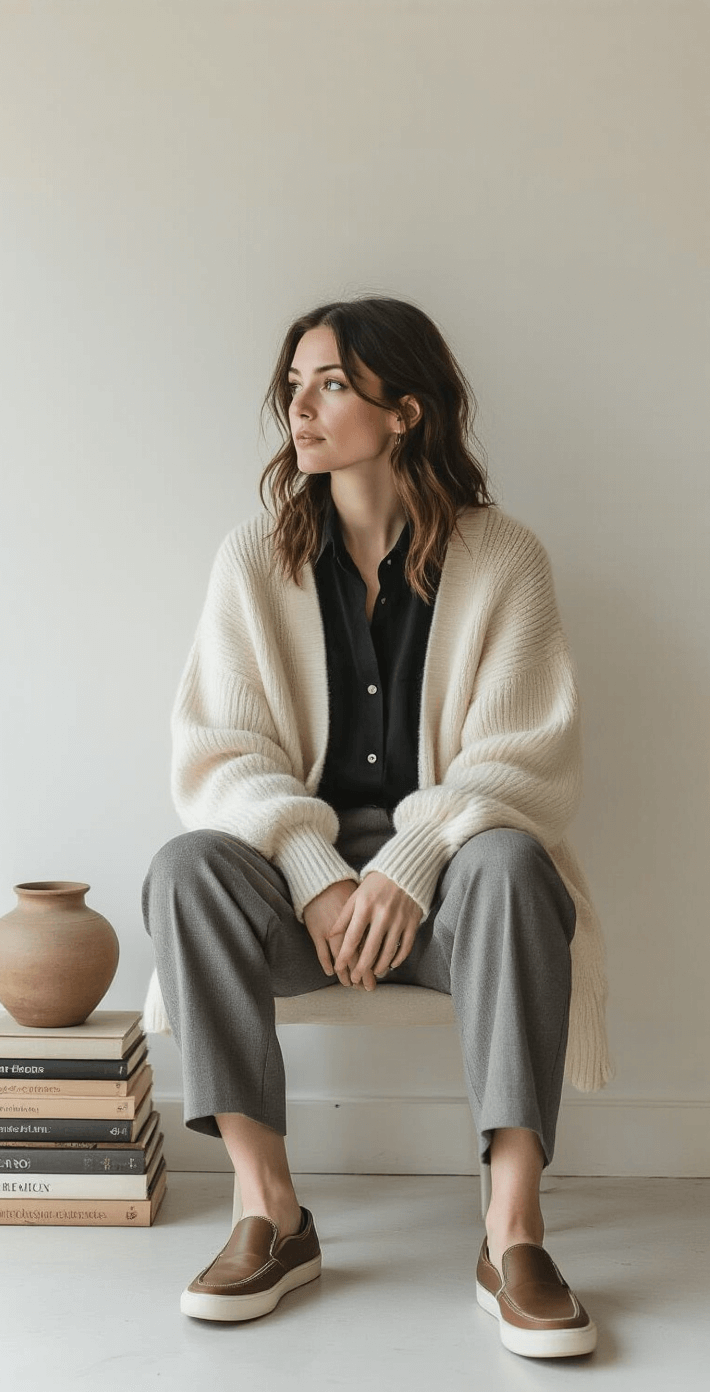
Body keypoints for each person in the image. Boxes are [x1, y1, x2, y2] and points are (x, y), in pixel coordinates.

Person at [142, 295, 611, 1358]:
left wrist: (406, 866)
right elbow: (222, 752)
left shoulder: (506, 559)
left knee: (509, 860)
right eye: (294, 386)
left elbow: (523, 758)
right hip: (299, 912)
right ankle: (267, 1214)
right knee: (186, 867)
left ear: (403, 410)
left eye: (332, 384)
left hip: (452, 908)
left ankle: (512, 1235)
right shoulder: (254, 558)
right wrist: (318, 872)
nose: (299, 408)